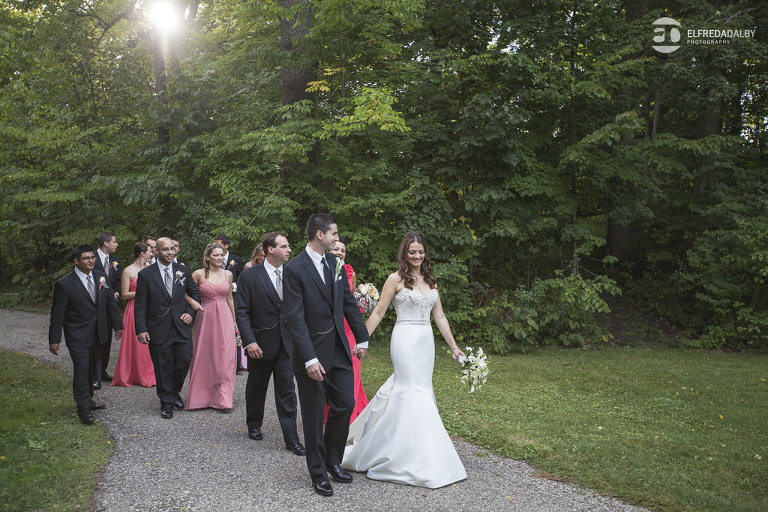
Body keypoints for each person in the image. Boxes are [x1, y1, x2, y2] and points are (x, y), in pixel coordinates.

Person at [341, 231, 467, 489]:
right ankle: (398, 453)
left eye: (420, 252)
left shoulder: (431, 281)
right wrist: (363, 340)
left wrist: (454, 347)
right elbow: (378, 312)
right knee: (407, 389)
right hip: (404, 339)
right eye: (412, 252)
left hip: (425, 341)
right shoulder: (395, 279)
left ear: (425, 253)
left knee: (423, 389)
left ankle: (424, 450)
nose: (417, 256)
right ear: (405, 254)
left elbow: (440, 317)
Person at [283, 213, 370, 497]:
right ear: (319, 235)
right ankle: (318, 473)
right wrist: (309, 358)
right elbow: (295, 318)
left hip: (339, 350)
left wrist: (362, 336)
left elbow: (347, 302)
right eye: (334, 233)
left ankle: (333, 460)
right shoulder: (294, 268)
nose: (337, 237)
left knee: (344, 404)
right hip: (311, 356)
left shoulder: (335, 263)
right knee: (312, 416)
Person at [236, 232, 304, 455]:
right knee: (257, 387)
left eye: (288, 246)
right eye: (284, 246)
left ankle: (292, 439)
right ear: (270, 250)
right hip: (260, 344)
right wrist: (249, 342)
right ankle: (254, 424)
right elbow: (242, 312)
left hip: (287, 344)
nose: (289, 250)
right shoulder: (249, 276)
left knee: (287, 391)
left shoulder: (293, 274)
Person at [48, 245, 123, 425]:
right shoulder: (65, 283)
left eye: (92, 257)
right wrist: (54, 339)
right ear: (76, 261)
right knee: (82, 370)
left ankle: (88, 400)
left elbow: (110, 303)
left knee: (92, 370)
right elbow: (57, 314)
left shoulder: (101, 277)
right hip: (77, 334)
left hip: (99, 332)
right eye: (86, 258)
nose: (91, 261)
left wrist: (118, 325)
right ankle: (83, 410)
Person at [134, 237, 200, 419]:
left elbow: (195, 293)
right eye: (165, 249)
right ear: (156, 251)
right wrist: (141, 329)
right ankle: (166, 403)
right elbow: (140, 304)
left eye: (172, 249)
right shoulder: (146, 274)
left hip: (181, 326)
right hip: (158, 327)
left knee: (184, 361)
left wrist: (191, 313)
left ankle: (173, 392)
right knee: (163, 366)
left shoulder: (182, 270)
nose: (170, 252)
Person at [185, 243, 238, 411]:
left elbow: (229, 298)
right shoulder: (198, 274)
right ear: (207, 257)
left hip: (225, 316)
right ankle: (201, 397)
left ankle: (223, 398)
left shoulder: (228, 274)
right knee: (205, 355)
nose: (220, 258)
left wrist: (234, 321)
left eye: (222, 255)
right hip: (206, 316)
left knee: (226, 357)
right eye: (216, 255)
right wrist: (192, 302)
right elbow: (184, 291)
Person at [327, 235, 369, 423]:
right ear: (328, 250)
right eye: (336, 249)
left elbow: (351, 300)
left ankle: (350, 419)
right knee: (330, 371)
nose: (340, 253)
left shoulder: (350, 272)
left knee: (352, 370)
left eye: (343, 250)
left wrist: (364, 303)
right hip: (330, 327)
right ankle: (329, 414)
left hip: (348, 328)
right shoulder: (322, 270)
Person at [111, 242, 156, 387]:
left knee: (150, 342)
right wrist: (142, 292)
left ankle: (149, 374)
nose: (152, 254)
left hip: (149, 308)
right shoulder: (128, 271)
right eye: (149, 251)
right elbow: (124, 294)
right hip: (133, 308)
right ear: (142, 253)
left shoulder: (151, 269)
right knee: (135, 343)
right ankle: (132, 374)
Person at [92, 231, 122, 388]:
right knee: (97, 340)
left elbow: (118, 279)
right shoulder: (92, 259)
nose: (116, 244)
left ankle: (102, 370)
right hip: (96, 306)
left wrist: (116, 292)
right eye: (114, 242)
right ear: (106, 243)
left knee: (107, 340)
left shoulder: (115, 260)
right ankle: (95, 374)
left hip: (110, 305)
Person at [214, 234, 246, 371]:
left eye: (219, 244)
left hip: (233, 297)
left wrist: (233, 286)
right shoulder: (212, 260)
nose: (216, 247)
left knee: (234, 328)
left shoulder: (236, 259)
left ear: (226, 246)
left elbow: (242, 278)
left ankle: (236, 361)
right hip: (216, 298)